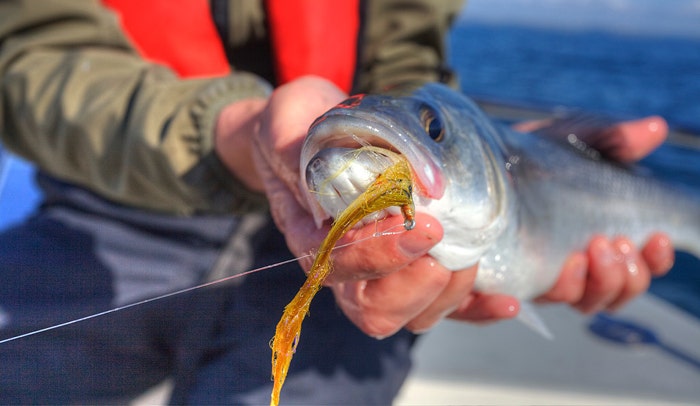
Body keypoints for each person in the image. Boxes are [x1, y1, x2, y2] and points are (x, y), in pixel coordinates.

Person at [0, 0, 673, 404]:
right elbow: (27, 56)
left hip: (336, 254)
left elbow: (409, 65)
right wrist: (229, 131)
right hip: (106, 210)